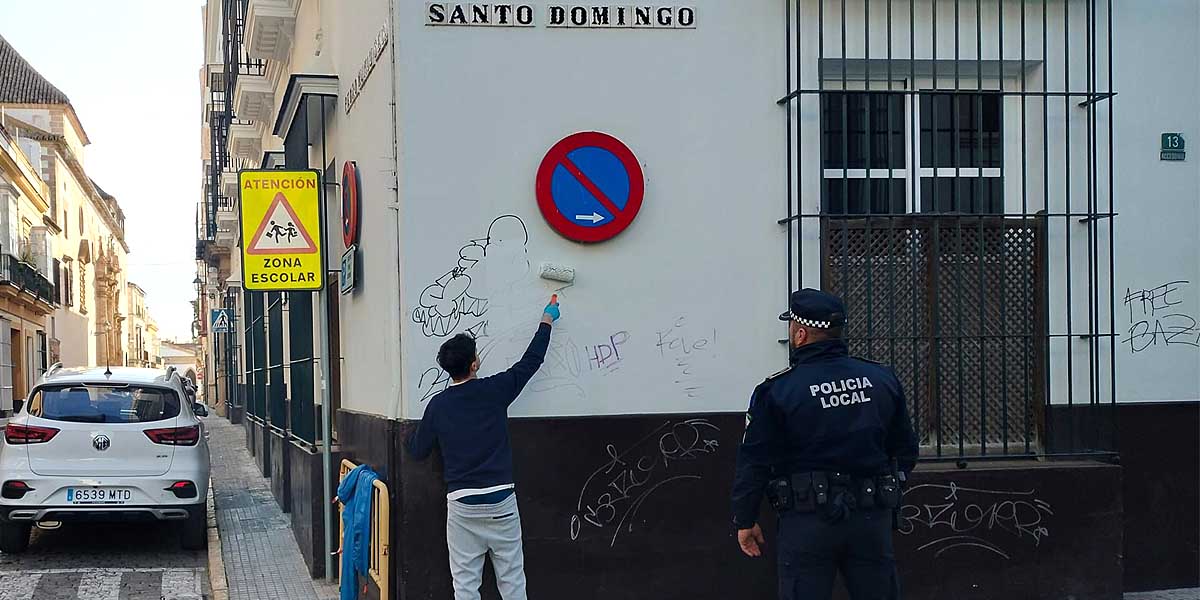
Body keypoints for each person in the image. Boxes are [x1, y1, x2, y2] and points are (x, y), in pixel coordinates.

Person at [730, 289, 918, 600]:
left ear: (800, 333)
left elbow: (754, 462)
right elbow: (905, 448)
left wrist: (745, 518)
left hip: (808, 522)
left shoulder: (777, 390)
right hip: (871, 518)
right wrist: (890, 486)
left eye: (791, 327)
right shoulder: (881, 379)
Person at [406, 297, 561, 600]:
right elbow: (530, 362)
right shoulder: (495, 391)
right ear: (474, 363)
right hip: (501, 500)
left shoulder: (438, 405)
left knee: (465, 585)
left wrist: (409, 436)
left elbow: (418, 450)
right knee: (513, 580)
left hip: (462, 505)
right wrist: (547, 320)